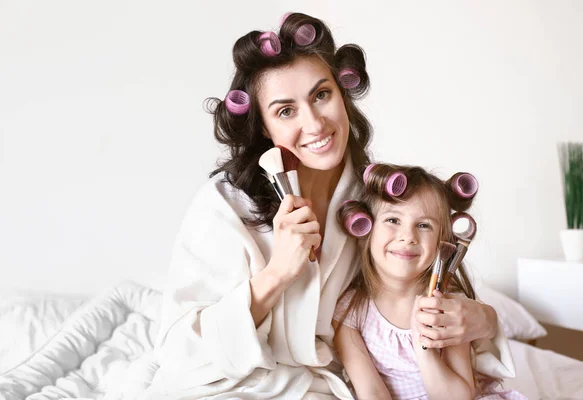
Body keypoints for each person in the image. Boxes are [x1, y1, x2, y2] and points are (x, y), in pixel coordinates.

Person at [142, 12, 514, 399]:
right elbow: (180, 352)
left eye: (322, 95)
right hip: (223, 385)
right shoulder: (223, 204)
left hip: (320, 387)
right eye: (286, 111)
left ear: (342, 94)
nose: (316, 124)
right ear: (264, 128)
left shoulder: (373, 199)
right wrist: (277, 274)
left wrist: (485, 320)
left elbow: (418, 289)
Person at [333, 164, 525, 400]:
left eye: (424, 225)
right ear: (367, 230)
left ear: (441, 241)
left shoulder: (449, 309)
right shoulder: (351, 311)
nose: (408, 237)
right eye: (393, 220)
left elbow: (458, 396)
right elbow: (371, 392)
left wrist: (425, 349)